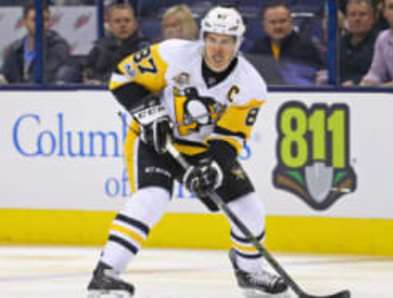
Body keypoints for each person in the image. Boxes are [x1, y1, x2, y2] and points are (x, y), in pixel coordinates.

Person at [86, 6, 288, 298]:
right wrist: (151, 114)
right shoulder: (173, 55)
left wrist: (213, 169)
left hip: (202, 148)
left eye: (227, 41)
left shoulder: (251, 85)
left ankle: (250, 272)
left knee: (249, 206)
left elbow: (230, 138)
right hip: (155, 140)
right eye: (213, 39)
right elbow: (121, 78)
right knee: (151, 198)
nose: (218, 48)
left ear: (238, 43)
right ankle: (105, 276)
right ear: (203, 37)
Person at [247, 0, 324, 86]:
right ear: (264, 25)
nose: (278, 26)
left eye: (282, 21)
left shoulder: (307, 48)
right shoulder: (257, 50)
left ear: (291, 22)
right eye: (273, 22)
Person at [1, 1, 71, 84]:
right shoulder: (14, 50)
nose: (40, 24)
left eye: (45, 20)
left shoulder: (58, 47)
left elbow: (47, 77)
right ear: (24, 21)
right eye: (35, 19)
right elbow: (5, 76)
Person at [83, 3, 150, 84]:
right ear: (110, 25)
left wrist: (102, 82)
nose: (123, 25)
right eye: (117, 21)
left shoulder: (143, 48)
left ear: (135, 24)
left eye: (127, 20)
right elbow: (87, 71)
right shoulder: (99, 48)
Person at [340, 0, 379, 85]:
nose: (357, 19)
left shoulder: (380, 42)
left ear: (372, 19)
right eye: (352, 15)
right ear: (347, 19)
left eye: (362, 14)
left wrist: (355, 82)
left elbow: (380, 75)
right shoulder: (340, 43)